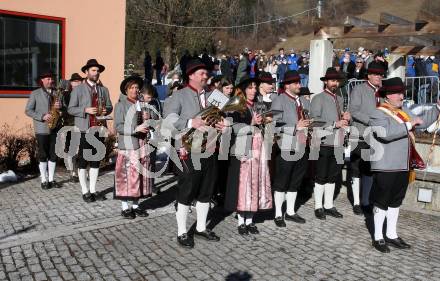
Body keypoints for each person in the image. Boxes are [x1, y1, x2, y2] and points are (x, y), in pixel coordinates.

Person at [368, 77, 440, 253]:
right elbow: (385, 134)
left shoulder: (404, 110)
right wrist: (409, 124)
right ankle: (378, 237)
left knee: (395, 201)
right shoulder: (378, 113)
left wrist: (437, 108)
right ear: (388, 95)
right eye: (398, 93)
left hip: (403, 164)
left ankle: (391, 234)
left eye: (402, 92)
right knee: (382, 201)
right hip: (386, 165)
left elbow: (421, 122)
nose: (402, 96)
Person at [163, 59, 225, 248]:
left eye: (206, 73)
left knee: (207, 191)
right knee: (187, 191)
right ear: (191, 75)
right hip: (188, 150)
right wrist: (191, 123)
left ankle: (200, 228)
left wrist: (222, 124)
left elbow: (218, 117)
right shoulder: (179, 96)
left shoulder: (214, 95)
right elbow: (169, 120)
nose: (205, 76)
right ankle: (182, 232)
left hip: (210, 148)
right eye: (201, 73)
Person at [224, 75, 272, 236]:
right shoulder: (236, 104)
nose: (252, 90)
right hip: (243, 147)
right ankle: (241, 220)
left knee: (255, 181)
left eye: (254, 87)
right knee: (243, 184)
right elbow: (232, 126)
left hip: (258, 146)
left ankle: (250, 220)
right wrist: (250, 124)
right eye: (249, 87)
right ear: (244, 89)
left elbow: (263, 124)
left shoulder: (259, 104)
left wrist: (266, 121)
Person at [68, 59, 113, 203]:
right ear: (86, 72)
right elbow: (70, 109)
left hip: (98, 129)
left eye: (97, 70)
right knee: (83, 161)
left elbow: (110, 106)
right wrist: (85, 110)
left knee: (96, 160)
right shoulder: (78, 89)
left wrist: (107, 109)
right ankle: (84, 191)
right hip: (84, 129)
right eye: (93, 70)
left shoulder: (103, 89)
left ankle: (93, 190)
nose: (96, 72)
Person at [271, 70, 312, 227]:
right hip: (286, 146)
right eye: (296, 83)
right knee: (282, 182)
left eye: (299, 82)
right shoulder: (279, 100)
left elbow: (308, 118)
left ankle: (290, 212)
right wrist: (295, 127)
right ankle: (278, 214)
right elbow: (274, 125)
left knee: (295, 181)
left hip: (303, 145)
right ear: (287, 85)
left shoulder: (304, 100)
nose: (299, 85)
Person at [311, 67, 351, 220]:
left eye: (337, 81)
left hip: (338, 143)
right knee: (321, 176)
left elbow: (342, 121)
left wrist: (347, 117)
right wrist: (336, 124)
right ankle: (318, 206)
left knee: (333, 176)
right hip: (323, 143)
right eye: (332, 80)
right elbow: (314, 122)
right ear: (326, 82)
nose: (335, 83)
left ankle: (328, 205)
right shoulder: (318, 98)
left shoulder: (339, 99)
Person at [349, 61, 385, 215]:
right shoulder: (359, 89)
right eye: (376, 74)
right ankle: (357, 202)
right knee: (357, 168)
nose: (378, 77)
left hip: (378, 137)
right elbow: (354, 111)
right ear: (368, 75)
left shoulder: (383, 92)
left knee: (371, 170)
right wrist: (371, 120)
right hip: (361, 134)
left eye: (380, 74)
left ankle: (366, 201)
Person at [114, 75, 152, 219]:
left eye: (137, 87)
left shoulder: (142, 104)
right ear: (126, 90)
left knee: (140, 177)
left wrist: (149, 119)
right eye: (132, 88)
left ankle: (136, 206)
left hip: (142, 144)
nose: (135, 90)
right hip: (128, 145)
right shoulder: (121, 105)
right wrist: (136, 129)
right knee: (126, 177)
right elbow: (118, 126)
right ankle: (125, 208)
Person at [25, 70, 63, 190]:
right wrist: (42, 116)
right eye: (47, 79)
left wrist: (60, 108)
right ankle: (44, 180)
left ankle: (51, 179)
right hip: (42, 128)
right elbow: (28, 110)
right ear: (42, 80)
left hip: (55, 127)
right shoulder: (35, 93)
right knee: (43, 154)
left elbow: (64, 110)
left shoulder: (57, 93)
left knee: (53, 154)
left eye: (51, 78)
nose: (50, 80)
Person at [64, 73, 84, 182]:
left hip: (82, 124)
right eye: (75, 81)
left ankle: (81, 171)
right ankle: (72, 172)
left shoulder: (84, 93)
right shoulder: (66, 95)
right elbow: (67, 110)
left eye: (79, 81)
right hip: (70, 124)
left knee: (82, 149)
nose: (77, 83)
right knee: (71, 150)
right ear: (71, 83)